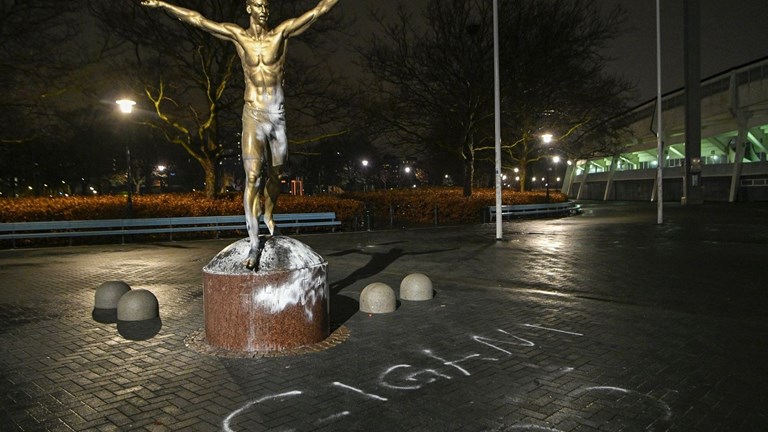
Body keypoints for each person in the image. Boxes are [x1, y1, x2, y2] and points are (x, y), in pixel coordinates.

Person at [142, 0, 339, 270]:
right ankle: (254, 242)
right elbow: (198, 20)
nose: (263, 10)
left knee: (277, 173)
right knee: (253, 176)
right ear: (249, 8)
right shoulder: (238, 36)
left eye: (266, 5)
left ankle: (268, 212)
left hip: (277, 116)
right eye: (258, 5)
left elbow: (318, 10)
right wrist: (162, 4)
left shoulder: (280, 34)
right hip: (253, 114)